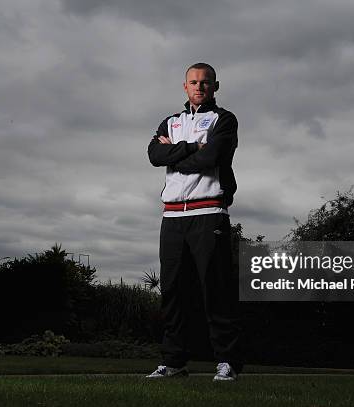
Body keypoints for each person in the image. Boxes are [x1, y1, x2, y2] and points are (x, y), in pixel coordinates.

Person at [146, 62, 242, 381]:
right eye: (193, 82)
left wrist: (177, 156)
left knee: (215, 289)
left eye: (205, 82)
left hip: (209, 212)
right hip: (172, 216)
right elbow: (154, 156)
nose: (199, 86)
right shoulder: (170, 122)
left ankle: (227, 362)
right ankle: (174, 362)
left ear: (215, 86)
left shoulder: (224, 120)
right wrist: (190, 148)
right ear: (184, 87)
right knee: (173, 290)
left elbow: (211, 158)